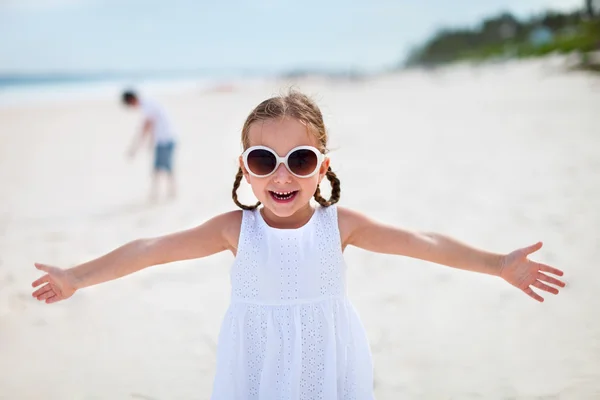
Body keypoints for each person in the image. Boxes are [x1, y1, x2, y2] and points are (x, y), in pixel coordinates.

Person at [31, 90, 566, 399]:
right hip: (256, 371)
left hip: (326, 367)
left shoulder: (342, 226)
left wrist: (498, 264)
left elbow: (421, 242)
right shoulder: (235, 231)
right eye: (264, 159)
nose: (282, 175)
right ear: (245, 168)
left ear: (323, 166)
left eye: (301, 160)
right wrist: (77, 276)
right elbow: (151, 248)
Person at [122, 90, 177, 200]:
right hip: (167, 138)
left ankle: (161, 193)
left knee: (160, 168)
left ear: (131, 100)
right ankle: (166, 192)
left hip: (164, 140)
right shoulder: (149, 103)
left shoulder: (147, 106)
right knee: (164, 167)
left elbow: (147, 126)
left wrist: (136, 147)